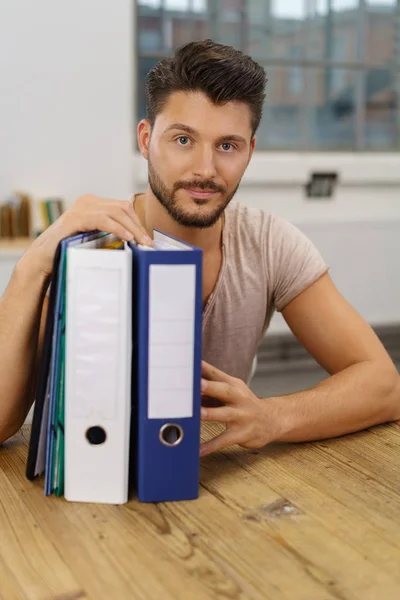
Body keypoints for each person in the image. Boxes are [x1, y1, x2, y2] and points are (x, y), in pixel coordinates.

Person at [0, 40, 398, 453]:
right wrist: (35, 262)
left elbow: (384, 385)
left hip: (217, 476)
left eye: (227, 145)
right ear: (145, 138)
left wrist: (273, 417)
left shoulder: (268, 243)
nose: (205, 170)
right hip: (96, 475)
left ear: (250, 151)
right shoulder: (94, 248)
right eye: (183, 140)